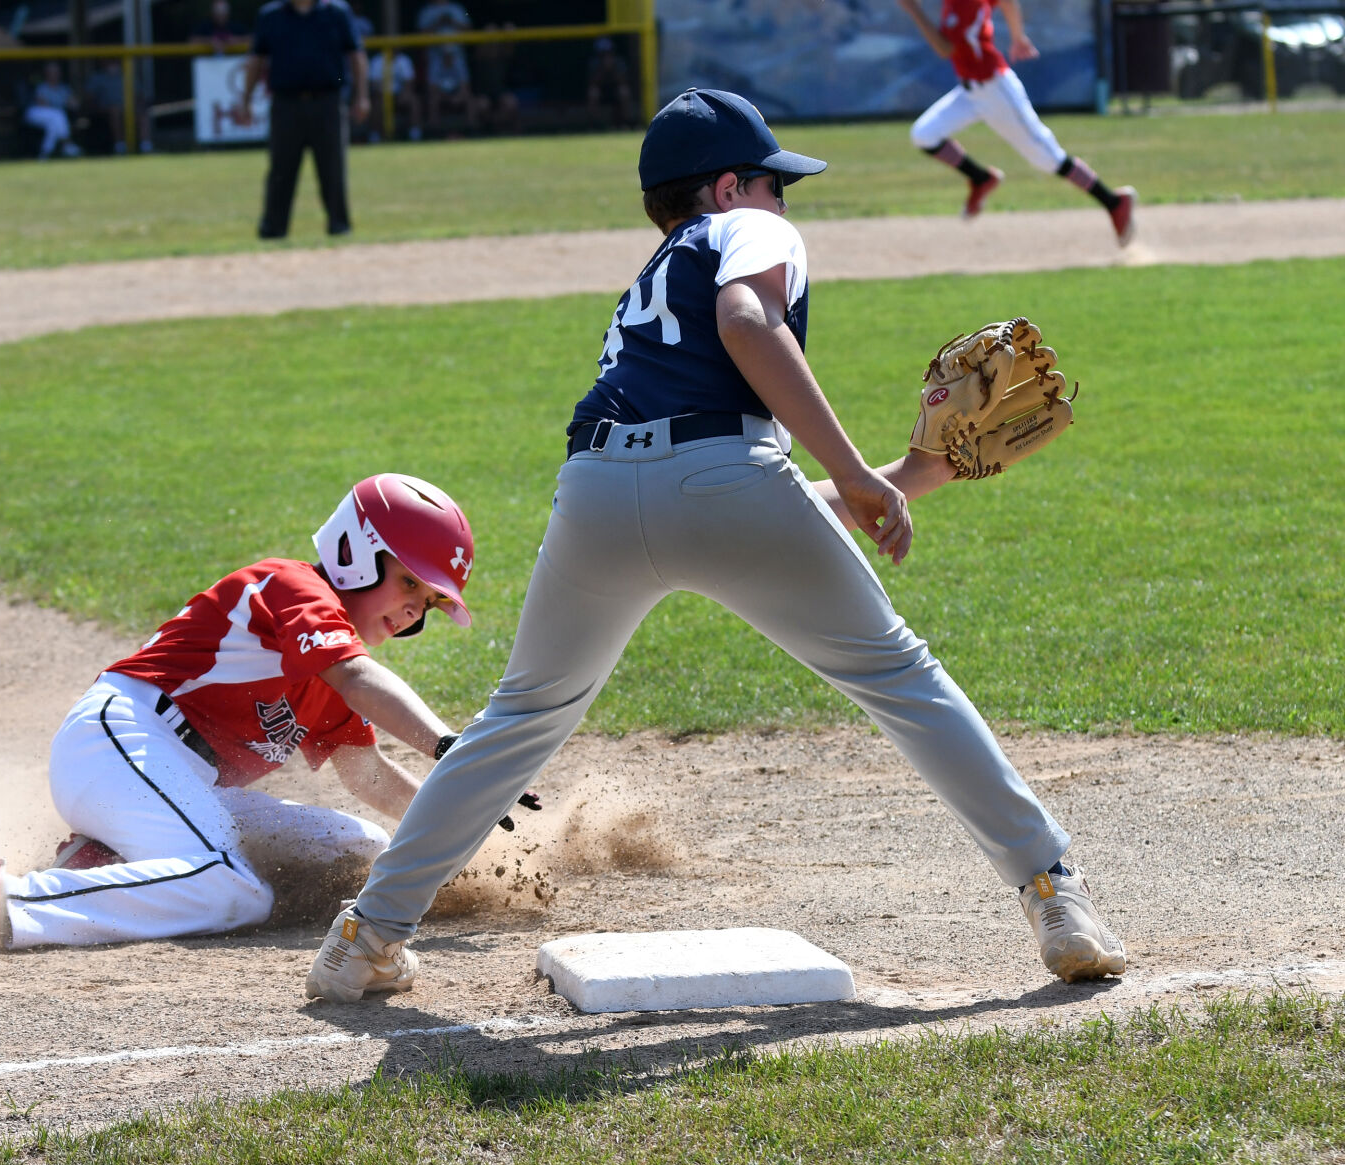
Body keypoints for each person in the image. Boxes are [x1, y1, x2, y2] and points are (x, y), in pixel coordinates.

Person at [304, 88, 1128, 1004]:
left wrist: (904, 473)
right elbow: (744, 352)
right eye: (776, 186)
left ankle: (365, 937)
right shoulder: (746, 230)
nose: (785, 205)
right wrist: (856, 472)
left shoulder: (648, 285)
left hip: (596, 496)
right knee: (902, 680)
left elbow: (698, 480)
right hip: (728, 476)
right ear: (729, 186)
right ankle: (1055, 894)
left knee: (520, 719)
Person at [0, 475, 545, 952]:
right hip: (121, 741)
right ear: (357, 549)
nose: (412, 611)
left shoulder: (336, 672)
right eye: (409, 583)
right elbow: (360, 678)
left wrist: (459, 825)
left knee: (362, 851)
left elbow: (368, 777)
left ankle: (104, 864)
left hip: (171, 779)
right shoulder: (296, 588)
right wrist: (449, 745)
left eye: (427, 603)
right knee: (233, 891)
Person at [897, 0, 1137, 244]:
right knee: (924, 134)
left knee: (1047, 158)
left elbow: (945, 49)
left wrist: (913, 10)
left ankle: (1114, 202)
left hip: (995, 91)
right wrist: (1017, 36)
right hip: (970, 92)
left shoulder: (964, 4)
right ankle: (981, 178)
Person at [236, 0, 369, 238]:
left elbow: (356, 55)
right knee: (280, 170)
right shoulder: (271, 15)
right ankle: (273, 229)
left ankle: (339, 226)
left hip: (327, 101)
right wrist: (245, 99)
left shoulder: (336, 12)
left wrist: (362, 96)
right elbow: (256, 59)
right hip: (286, 103)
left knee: (333, 169)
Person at [417, 0, 479, 136]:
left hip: (458, 56)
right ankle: (434, 134)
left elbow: (470, 31)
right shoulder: (426, 11)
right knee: (433, 100)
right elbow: (420, 36)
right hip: (435, 58)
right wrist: (439, 22)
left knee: (469, 99)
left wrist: (452, 22)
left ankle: (472, 133)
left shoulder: (457, 8)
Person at [86, 59, 153, 154]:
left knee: (142, 113)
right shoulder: (97, 78)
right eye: (110, 62)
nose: (112, 65)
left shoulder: (127, 76)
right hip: (106, 109)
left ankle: (146, 146)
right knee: (115, 110)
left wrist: (140, 105)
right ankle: (120, 145)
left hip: (129, 108)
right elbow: (89, 98)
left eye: (114, 62)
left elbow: (140, 96)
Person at [25, 62, 81, 159]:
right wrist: (63, 103)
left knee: (53, 125)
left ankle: (45, 154)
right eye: (51, 72)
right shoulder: (42, 87)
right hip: (35, 113)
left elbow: (75, 104)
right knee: (58, 115)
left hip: (55, 117)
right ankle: (67, 143)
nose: (54, 75)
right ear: (46, 74)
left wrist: (73, 101)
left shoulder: (64, 88)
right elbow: (42, 104)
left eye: (56, 72)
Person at [586, 36, 634, 130]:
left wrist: (612, 69)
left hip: (615, 91)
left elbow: (623, 81)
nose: (606, 56)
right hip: (601, 91)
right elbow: (592, 83)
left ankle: (625, 122)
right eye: (603, 54)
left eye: (608, 52)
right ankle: (594, 125)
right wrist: (602, 70)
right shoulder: (594, 63)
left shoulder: (619, 62)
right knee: (593, 92)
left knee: (624, 91)